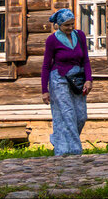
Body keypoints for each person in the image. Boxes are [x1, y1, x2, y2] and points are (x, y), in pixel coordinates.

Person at [41, 8, 91, 155]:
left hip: (77, 79)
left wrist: (89, 80)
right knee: (67, 114)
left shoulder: (80, 36)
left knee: (81, 116)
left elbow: (86, 60)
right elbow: (45, 65)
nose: (70, 28)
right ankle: (74, 150)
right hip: (59, 79)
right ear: (58, 25)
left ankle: (58, 139)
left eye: (72, 24)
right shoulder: (52, 40)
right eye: (66, 25)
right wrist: (45, 90)